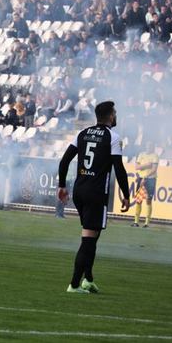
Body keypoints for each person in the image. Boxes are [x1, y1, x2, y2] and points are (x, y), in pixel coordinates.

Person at [57, 101, 130, 294]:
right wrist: (126, 194)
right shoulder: (113, 137)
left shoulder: (82, 133)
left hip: (79, 190)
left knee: (93, 235)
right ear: (111, 116)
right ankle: (74, 285)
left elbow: (64, 160)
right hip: (96, 193)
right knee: (88, 240)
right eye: (114, 113)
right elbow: (119, 168)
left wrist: (62, 185)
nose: (116, 116)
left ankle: (88, 279)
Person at [132, 142, 158, 228]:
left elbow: (154, 169)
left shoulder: (155, 156)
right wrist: (147, 165)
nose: (149, 147)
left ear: (153, 147)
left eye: (150, 146)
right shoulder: (141, 154)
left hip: (150, 179)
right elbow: (136, 167)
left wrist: (145, 177)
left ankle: (147, 223)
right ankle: (136, 222)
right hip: (140, 178)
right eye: (147, 146)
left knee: (148, 200)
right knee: (138, 200)